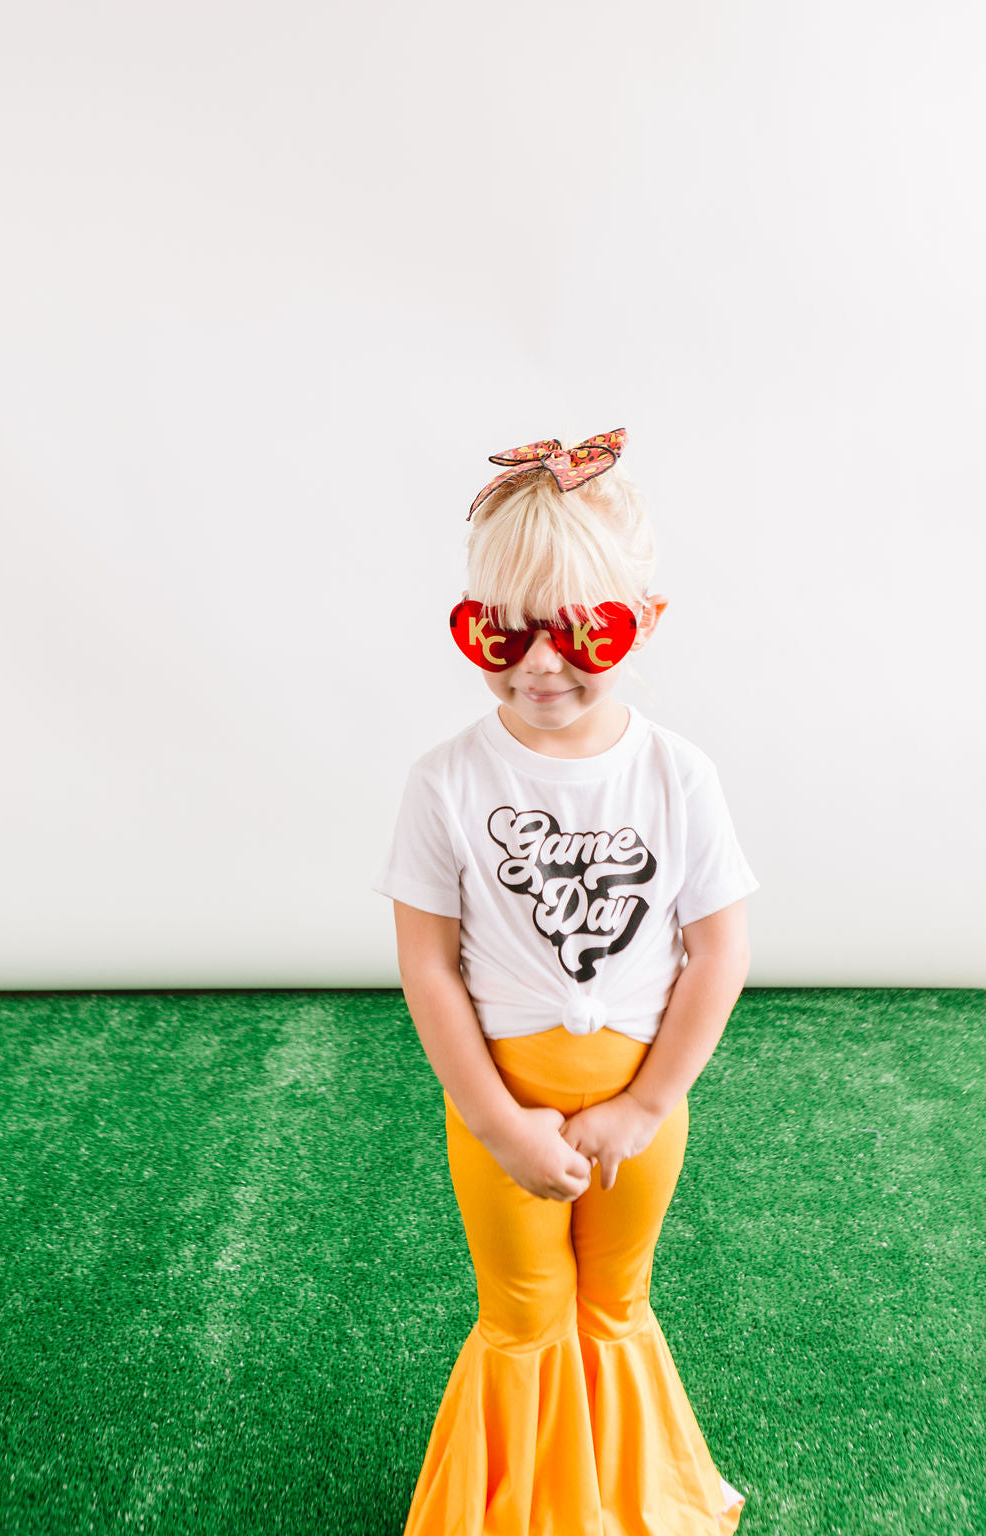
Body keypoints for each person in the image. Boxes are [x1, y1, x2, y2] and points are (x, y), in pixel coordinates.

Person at [373, 428, 759, 1535]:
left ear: (649, 618)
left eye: (584, 629)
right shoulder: (443, 782)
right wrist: (497, 1123)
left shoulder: (678, 774)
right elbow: (427, 967)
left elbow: (719, 951)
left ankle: (628, 1502)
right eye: (497, 630)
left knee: (615, 1303)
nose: (539, 664)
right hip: (498, 1103)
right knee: (526, 1312)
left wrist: (643, 1105)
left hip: (643, 1104)